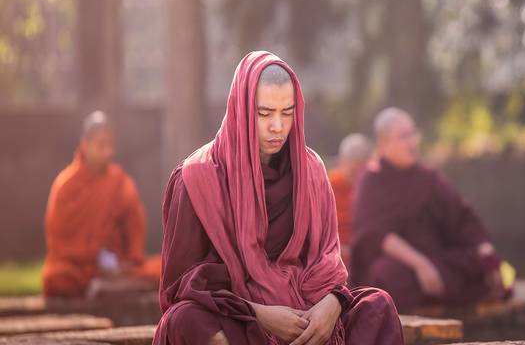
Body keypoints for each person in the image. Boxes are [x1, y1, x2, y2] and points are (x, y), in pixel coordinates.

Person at [155, 51, 403, 345]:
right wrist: (260, 313)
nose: (277, 127)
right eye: (264, 113)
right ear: (240, 109)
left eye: (287, 113)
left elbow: (327, 262)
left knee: (378, 305)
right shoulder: (196, 177)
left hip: (308, 312)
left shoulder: (310, 171)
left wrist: (331, 305)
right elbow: (180, 285)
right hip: (240, 319)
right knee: (186, 320)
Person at [350, 107, 513, 312]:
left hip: (435, 259)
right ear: (383, 144)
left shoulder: (427, 178)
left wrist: (486, 253)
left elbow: (461, 216)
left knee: (481, 264)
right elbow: (373, 234)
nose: (413, 142)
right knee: (385, 274)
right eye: (403, 136)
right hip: (401, 264)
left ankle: (441, 289)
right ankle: (443, 290)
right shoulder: (371, 181)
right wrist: (421, 265)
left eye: (413, 134)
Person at [42, 111, 160, 298]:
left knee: (161, 270)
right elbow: (59, 241)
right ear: (85, 145)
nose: (107, 152)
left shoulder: (120, 182)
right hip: (77, 267)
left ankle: (109, 286)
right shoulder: (66, 185)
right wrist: (95, 257)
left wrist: (126, 260)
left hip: (115, 267)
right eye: (101, 145)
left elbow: (135, 228)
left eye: (110, 145)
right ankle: (111, 286)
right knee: (57, 277)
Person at [328, 134, 372, 267]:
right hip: (334, 257)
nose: (358, 176)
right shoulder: (326, 186)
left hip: (365, 257)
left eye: (362, 171)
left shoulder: (372, 188)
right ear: (340, 162)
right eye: (353, 171)